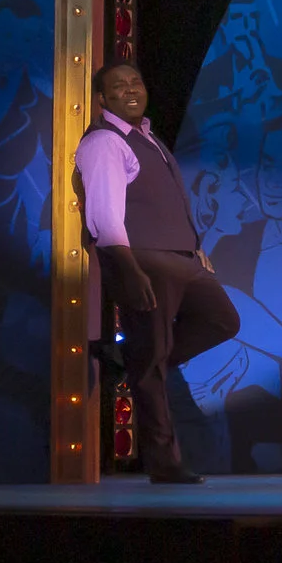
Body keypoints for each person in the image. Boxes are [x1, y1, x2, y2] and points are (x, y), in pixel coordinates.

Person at [73, 62, 242, 482]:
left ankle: (131, 360)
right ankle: (164, 463)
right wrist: (128, 269)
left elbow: (169, 201)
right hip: (143, 258)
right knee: (150, 362)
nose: (131, 90)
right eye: (119, 86)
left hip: (179, 258)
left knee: (223, 320)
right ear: (102, 99)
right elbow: (104, 215)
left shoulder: (148, 138)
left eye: (136, 82)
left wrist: (195, 248)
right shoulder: (104, 142)